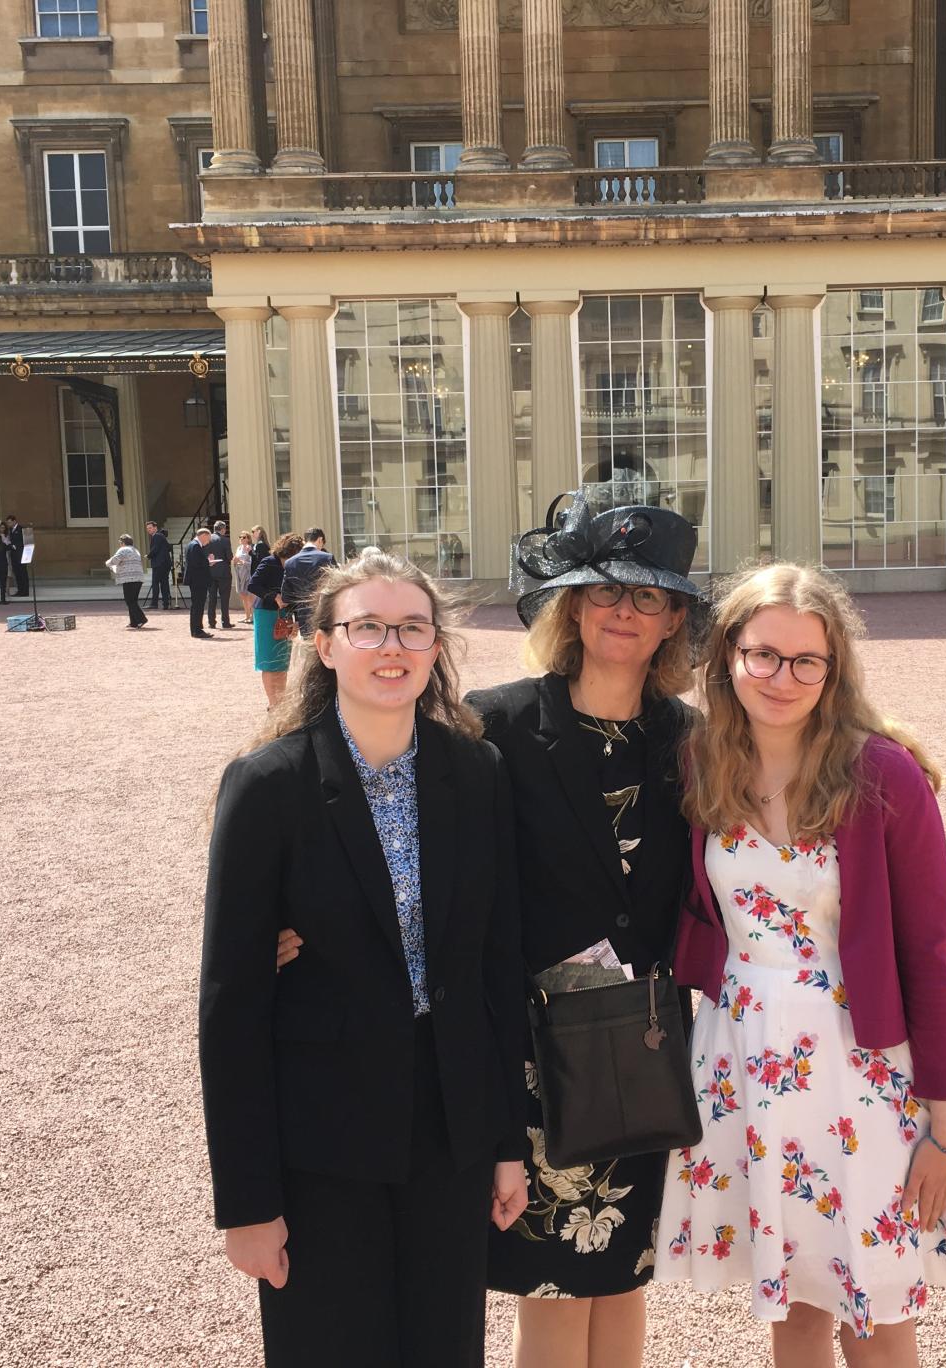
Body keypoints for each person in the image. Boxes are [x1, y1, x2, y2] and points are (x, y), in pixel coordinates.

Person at [656, 563, 946, 1367]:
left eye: (808, 660)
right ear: (728, 656)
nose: (783, 677)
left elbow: (928, 956)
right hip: (743, 1057)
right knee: (796, 1305)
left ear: (834, 669)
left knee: (873, 1309)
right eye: (764, 655)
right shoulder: (703, 765)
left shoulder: (884, 776)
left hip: (860, 1065)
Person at [200, 549, 529, 1368]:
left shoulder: (477, 772)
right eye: (369, 627)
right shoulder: (267, 786)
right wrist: (247, 1203)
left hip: (447, 1133)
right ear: (325, 644)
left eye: (413, 628)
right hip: (322, 1142)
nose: (393, 647)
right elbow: (231, 1006)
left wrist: (504, 1140)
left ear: (435, 646)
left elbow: (495, 967)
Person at [449, 493, 705, 1368]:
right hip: (535, 1060)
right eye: (605, 591)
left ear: (675, 618)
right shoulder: (498, 722)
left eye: (647, 597)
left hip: (645, 1049)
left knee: (626, 1282)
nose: (624, 611)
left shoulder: (693, 742)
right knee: (554, 1294)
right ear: (572, 603)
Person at [248, 533, 303, 709]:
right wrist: (274, 596)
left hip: (285, 614)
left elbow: (297, 595)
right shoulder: (269, 562)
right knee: (269, 661)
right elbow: (253, 584)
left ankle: (281, 702)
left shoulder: (294, 567)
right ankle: (274, 704)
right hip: (266, 613)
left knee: (282, 661)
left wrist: (297, 621)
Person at [278, 529, 336, 638]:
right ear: (320, 540)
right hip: (325, 613)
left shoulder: (290, 563)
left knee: (310, 648)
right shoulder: (327, 558)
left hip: (303, 615)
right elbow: (337, 586)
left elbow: (286, 596)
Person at [104, 534, 148, 629]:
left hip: (129, 579)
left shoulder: (123, 550)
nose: (120, 544)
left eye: (120, 542)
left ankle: (141, 619)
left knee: (130, 601)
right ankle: (134, 622)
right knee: (133, 600)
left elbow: (115, 560)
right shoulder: (135, 550)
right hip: (138, 578)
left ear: (123, 543)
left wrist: (107, 563)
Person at [183, 527, 215, 639]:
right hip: (198, 580)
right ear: (204, 535)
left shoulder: (191, 545)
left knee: (197, 605)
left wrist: (206, 561)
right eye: (209, 538)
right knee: (198, 605)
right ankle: (197, 630)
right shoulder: (195, 546)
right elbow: (197, 563)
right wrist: (208, 562)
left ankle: (196, 629)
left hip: (196, 580)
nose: (209, 541)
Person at [208, 520, 236, 629]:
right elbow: (229, 556)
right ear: (223, 529)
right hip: (223, 572)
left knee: (212, 598)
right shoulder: (225, 540)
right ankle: (225, 621)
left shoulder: (208, 539)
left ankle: (211, 622)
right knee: (224, 598)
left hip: (210, 572)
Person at [145, 520, 174, 609]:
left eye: (150, 528)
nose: (148, 530)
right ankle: (165, 603)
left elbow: (155, 549)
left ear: (155, 528)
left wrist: (148, 556)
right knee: (164, 583)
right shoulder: (161, 536)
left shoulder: (157, 536)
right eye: (147, 528)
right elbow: (169, 548)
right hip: (165, 564)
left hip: (159, 564)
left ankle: (154, 603)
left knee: (155, 583)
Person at [234, 531, 256, 622]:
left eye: (243, 537)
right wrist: (235, 561)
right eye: (240, 537)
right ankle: (247, 616)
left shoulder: (250, 548)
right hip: (239, 573)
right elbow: (236, 560)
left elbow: (253, 562)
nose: (241, 539)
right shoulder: (239, 548)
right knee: (243, 595)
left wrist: (243, 562)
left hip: (247, 573)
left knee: (249, 596)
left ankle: (252, 616)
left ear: (248, 538)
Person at [6, 516, 29, 597]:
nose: (9, 524)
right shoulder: (11, 530)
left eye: (10, 522)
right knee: (17, 573)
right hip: (14, 556)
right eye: (8, 523)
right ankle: (20, 590)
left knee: (23, 573)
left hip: (21, 555)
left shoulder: (21, 529)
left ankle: (25, 591)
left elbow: (25, 542)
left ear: (14, 521)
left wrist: (15, 546)